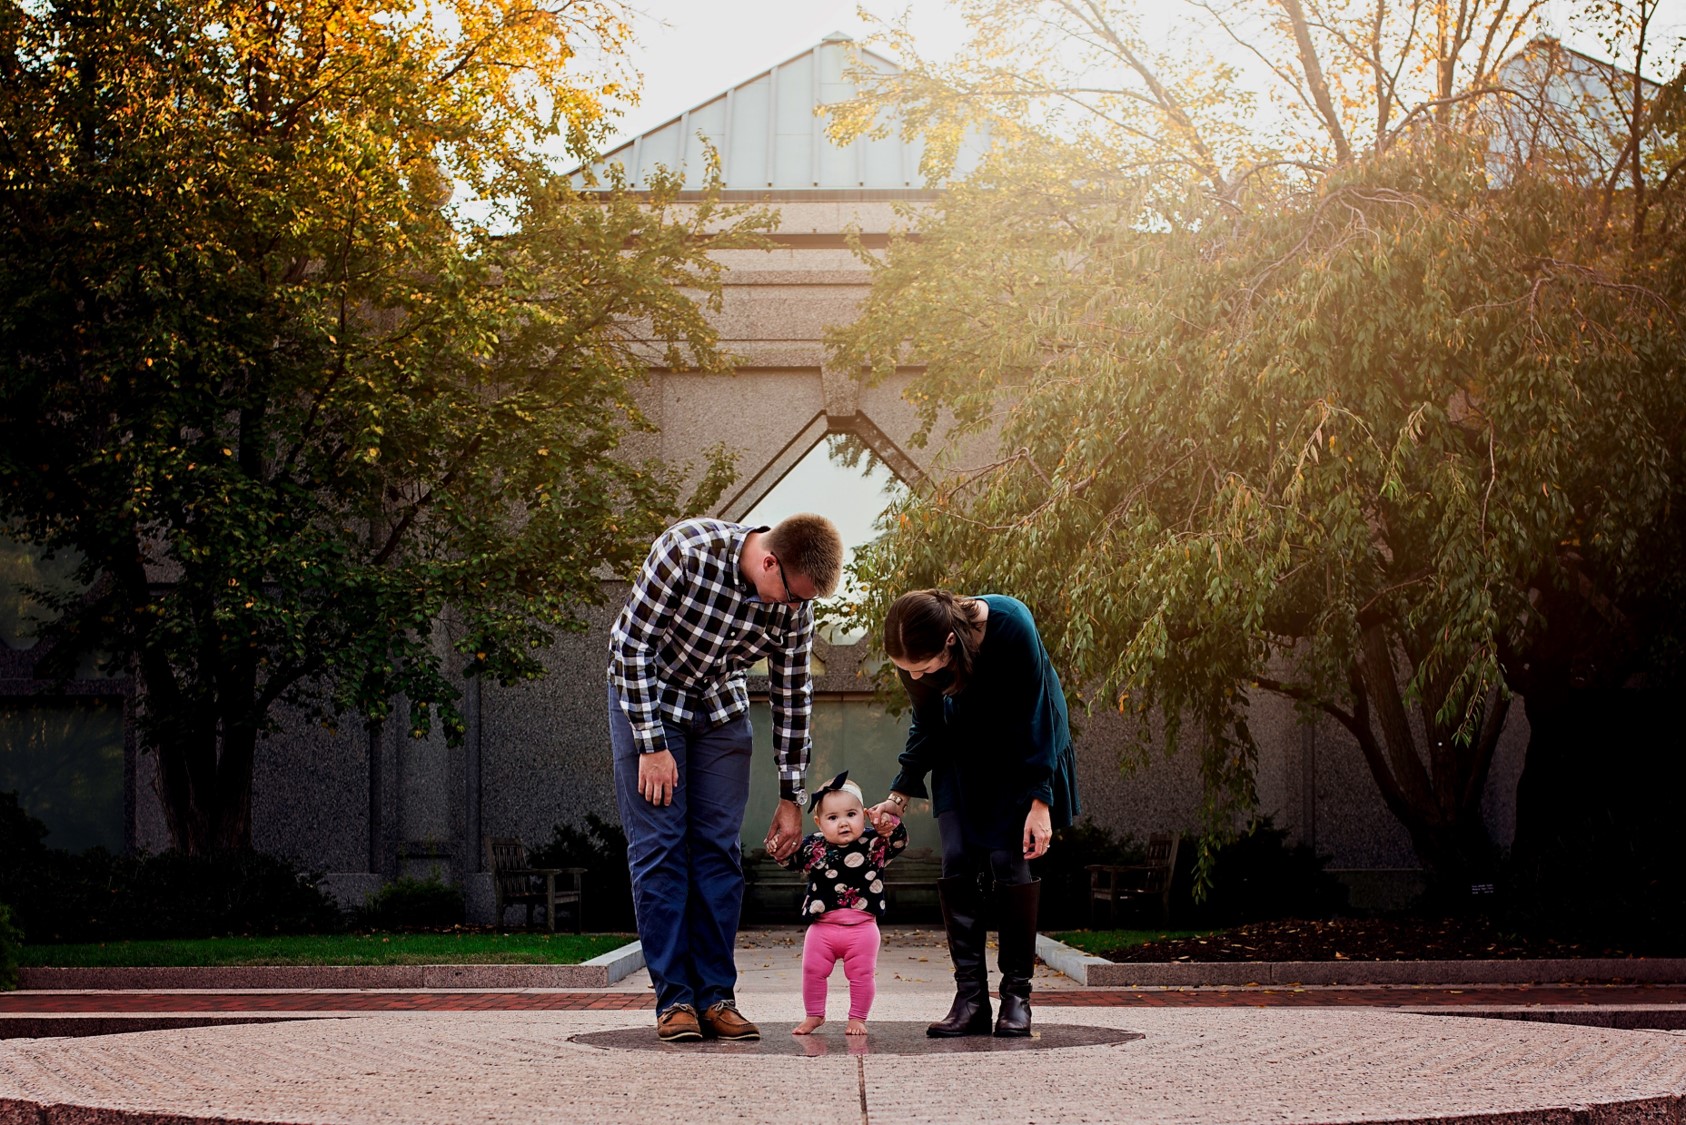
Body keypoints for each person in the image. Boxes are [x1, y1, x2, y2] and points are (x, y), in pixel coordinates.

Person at [607, 514, 844, 1043]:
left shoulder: (795, 608)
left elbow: (792, 696)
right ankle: (675, 1000)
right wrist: (651, 743)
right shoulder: (686, 551)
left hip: (719, 709)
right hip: (649, 700)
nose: (795, 610)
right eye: (792, 597)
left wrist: (792, 796)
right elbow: (630, 646)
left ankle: (716, 997)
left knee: (719, 849)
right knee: (660, 846)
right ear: (769, 562)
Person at [867, 589, 1079, 1039]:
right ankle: (970, 1001)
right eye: (907, 669)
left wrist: (1040, 800)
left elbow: (1038, 717)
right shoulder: (913, 652)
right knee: (957, 859)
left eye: (922, 668)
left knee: (1008, 861)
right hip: (960, 754)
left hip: (1019, 755)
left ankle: (1016, 998)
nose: (915, 676)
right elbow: (928, 723)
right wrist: (899, 794)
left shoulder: (1011, 624)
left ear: (949, 641)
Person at [780, 770, 909, 1037]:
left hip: (862, 929)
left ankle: (857, 1018)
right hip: (822, 928)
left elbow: (899, 842)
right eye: (833, 818)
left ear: (864, 814)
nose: (843, 823)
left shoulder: (875, 842)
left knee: (862, 975)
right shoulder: (813, 846)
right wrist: (777, 848)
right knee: (812, 971)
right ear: (819, 823)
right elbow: (790, 860)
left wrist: (890, 824)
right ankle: (814, 1014)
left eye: (851, 814)